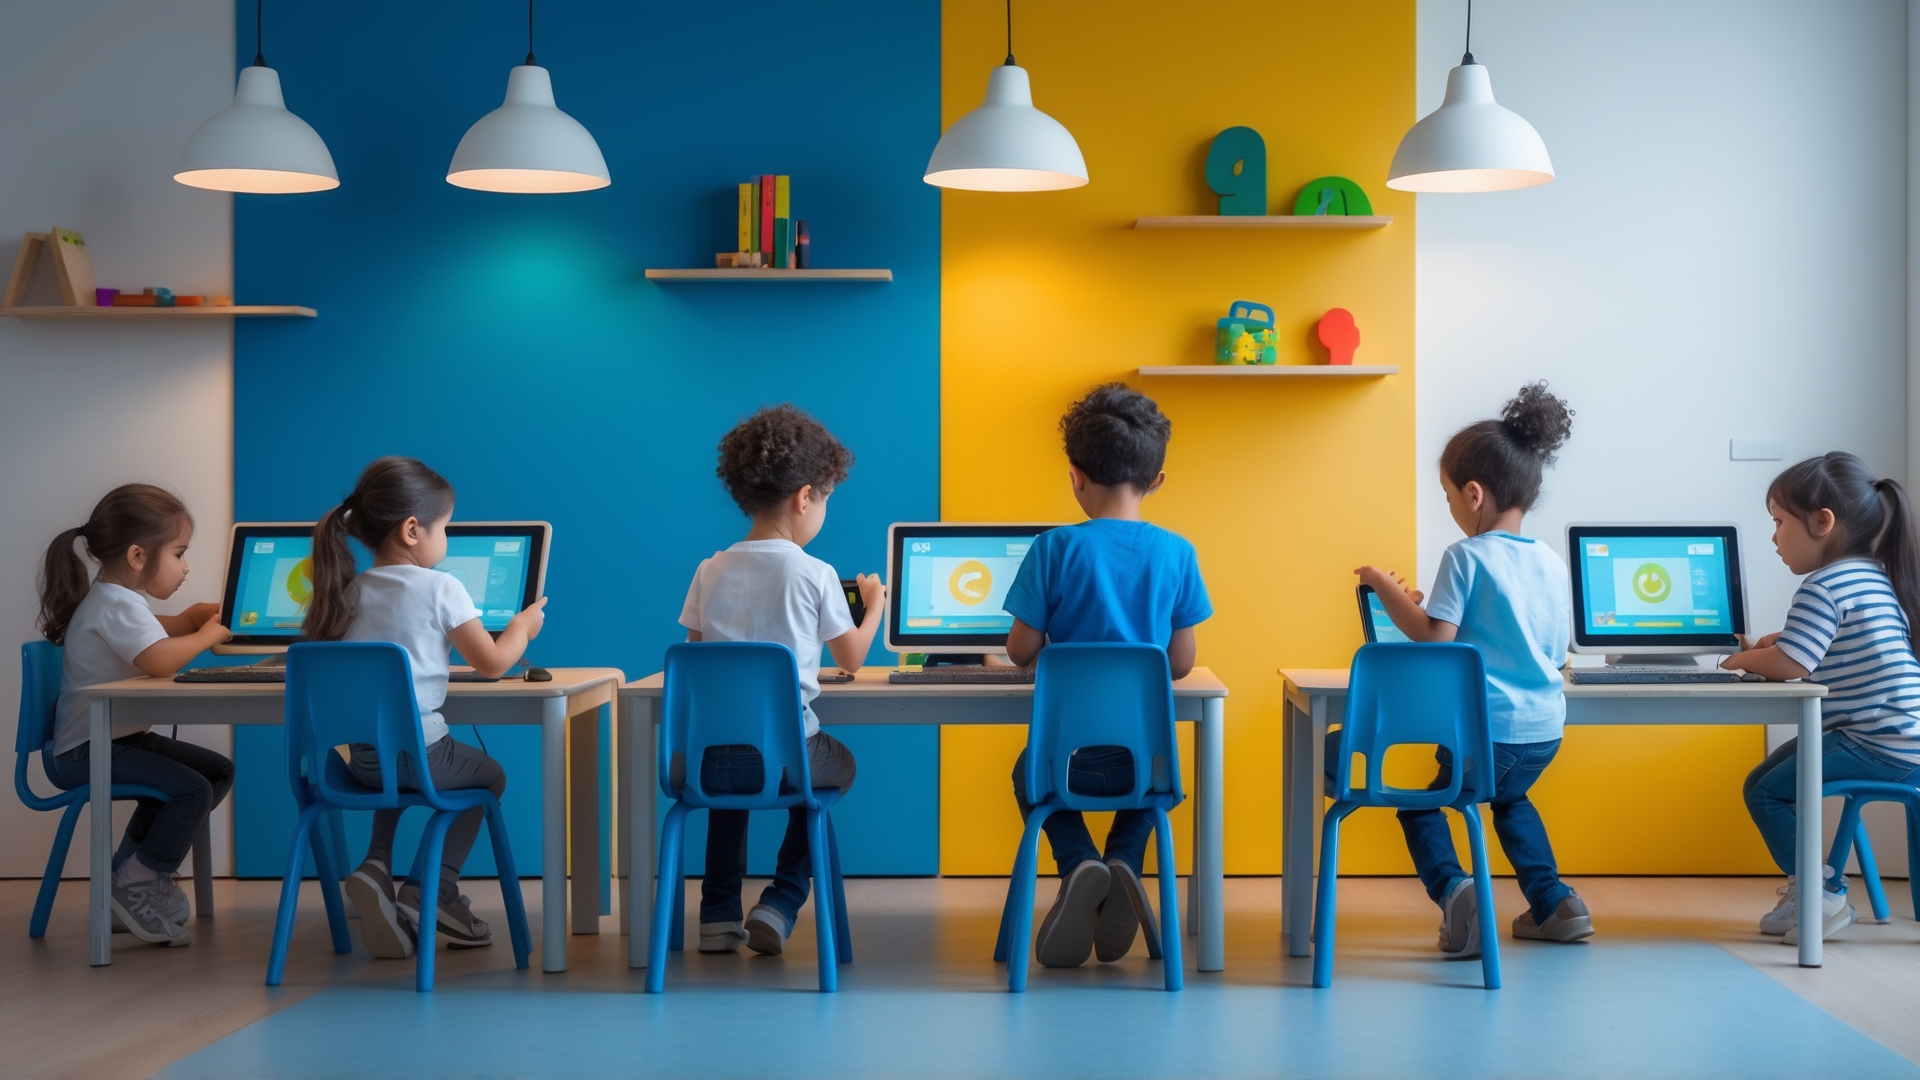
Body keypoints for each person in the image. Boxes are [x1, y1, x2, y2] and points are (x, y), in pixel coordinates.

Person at [1355, 382, 1591, 957]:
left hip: (1485, 731)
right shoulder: (1549, 561)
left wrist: (1385, 589)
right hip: (1542, 732)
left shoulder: (1465, 556)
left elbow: (1435, 640)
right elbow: (1550, 647)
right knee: (1509, 802)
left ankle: (1455, 887)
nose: (1451, 508)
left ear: (1475, 493)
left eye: (1448, 496)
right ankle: (1556, 902)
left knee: (1417, 804)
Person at [1003, 383, 1213, 970]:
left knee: (1028, 772)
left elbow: (1021, 651)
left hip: (1065, 761)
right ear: (1158, 478)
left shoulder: (1053, 548)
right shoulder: (1177, 553)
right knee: (1158, 771)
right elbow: (1178, 663)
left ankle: (1078, 865)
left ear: (1075, 476)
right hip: (1138, 760)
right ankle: (1123, 857)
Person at [311, 457, 547, 959]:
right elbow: (492, 664)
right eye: (446, 527)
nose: (448, 539)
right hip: (423, 754)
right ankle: (429, 890)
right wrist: (522, 629)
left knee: (397, 768)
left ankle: (375, 864)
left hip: (365, 763)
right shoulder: (443, 587)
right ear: (413, 529)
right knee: (492, 778)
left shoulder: (348, 592)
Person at [681, 405, 886, 956]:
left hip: (715, 754)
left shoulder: (710, 568)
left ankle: (718, 913)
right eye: (825, 501)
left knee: (730, 785)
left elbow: (701, 662)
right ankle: (781, 899)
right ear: (804, 498)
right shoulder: (815, 573)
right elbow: (852, 659)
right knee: (831, 767)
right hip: (790, 751)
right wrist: (873, 608)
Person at [1729, 452, 1920, 944]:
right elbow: (1810, 646)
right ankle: (1814, 888)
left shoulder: (1823, 584)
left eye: (1778, 523)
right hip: (1900, 737)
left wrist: (1745, 659)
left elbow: (1793, 664)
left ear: (1822, 522)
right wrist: (1778, 644)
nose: (1773, 538)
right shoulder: (1873, 575)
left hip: (1877, 742)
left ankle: (1819, 896)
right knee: (1761, 780)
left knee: (1765, 791)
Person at [39, 483, 235, 947]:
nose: (186, 566)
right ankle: (139, 879)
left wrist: (197, 618)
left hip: (113, 739)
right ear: (137, 556)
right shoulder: (114, 606)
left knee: (215, 771)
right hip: (89, 750)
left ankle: (127, 876)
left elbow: (165, 631)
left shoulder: (120, 602)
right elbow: (159, 659)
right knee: (192, 789)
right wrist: (212, 634)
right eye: (180, 553)